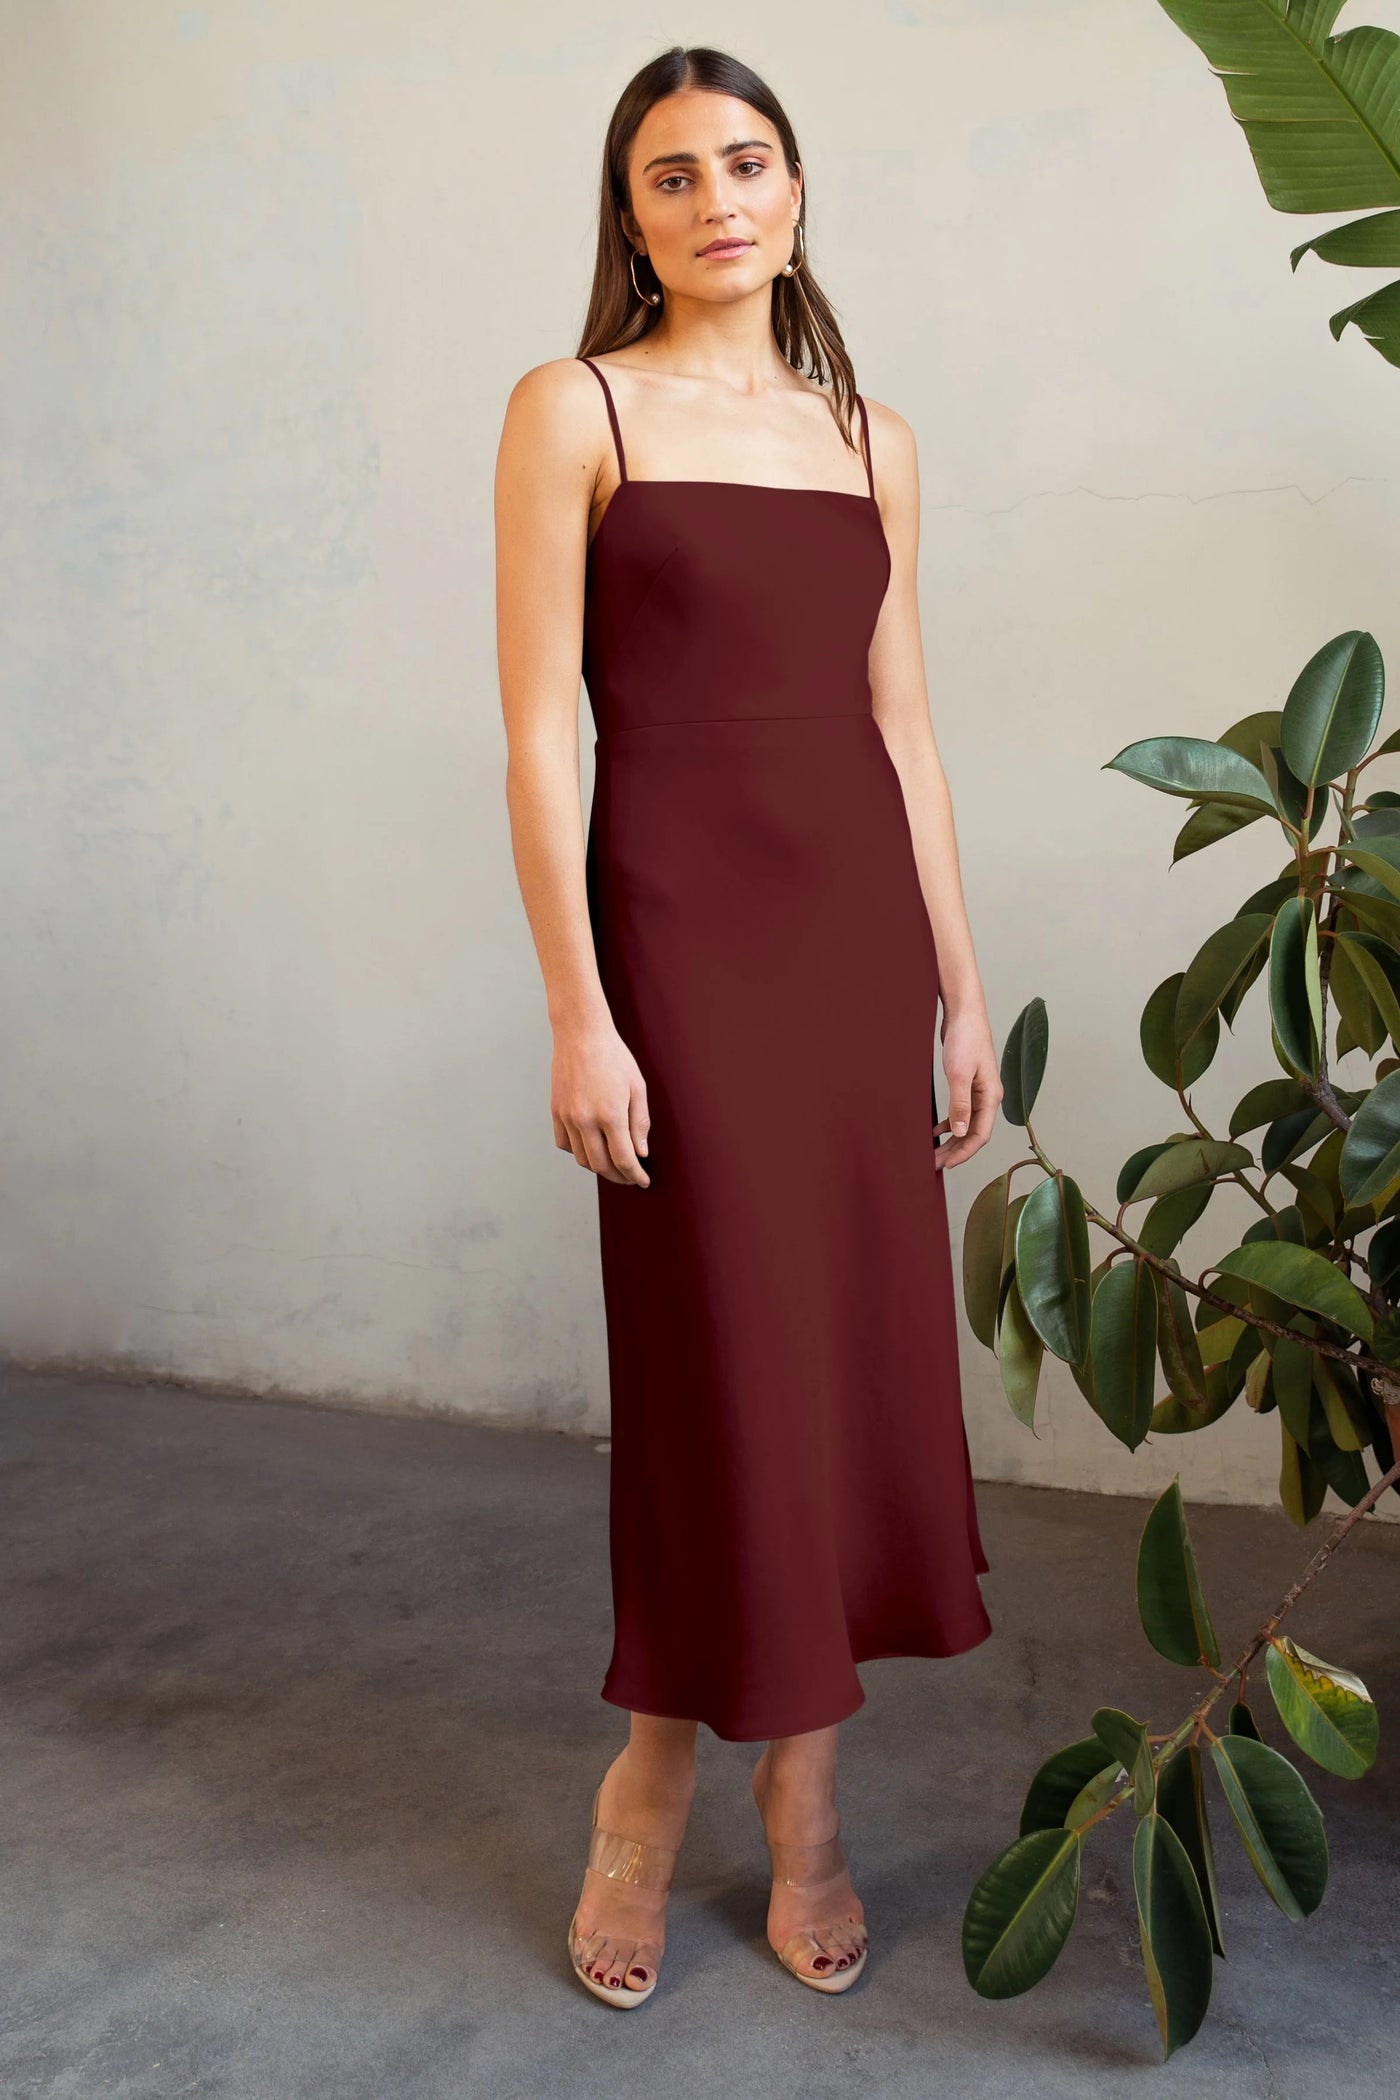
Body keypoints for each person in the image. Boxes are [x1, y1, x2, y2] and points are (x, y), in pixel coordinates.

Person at [494, 44, 1001, 2008]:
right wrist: (576, 1008)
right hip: (679, 944)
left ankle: (807, 1798)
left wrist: (961, 986)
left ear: (796, 191)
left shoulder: (871, 435)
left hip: (851, 947)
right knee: (718, 1369)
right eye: (673, 175)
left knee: (852, 1364)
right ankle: (646, 1781)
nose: (718, 198)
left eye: (749, 162)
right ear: (629, 219)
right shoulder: (575, 407)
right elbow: (543, 727)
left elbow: (903, 726)